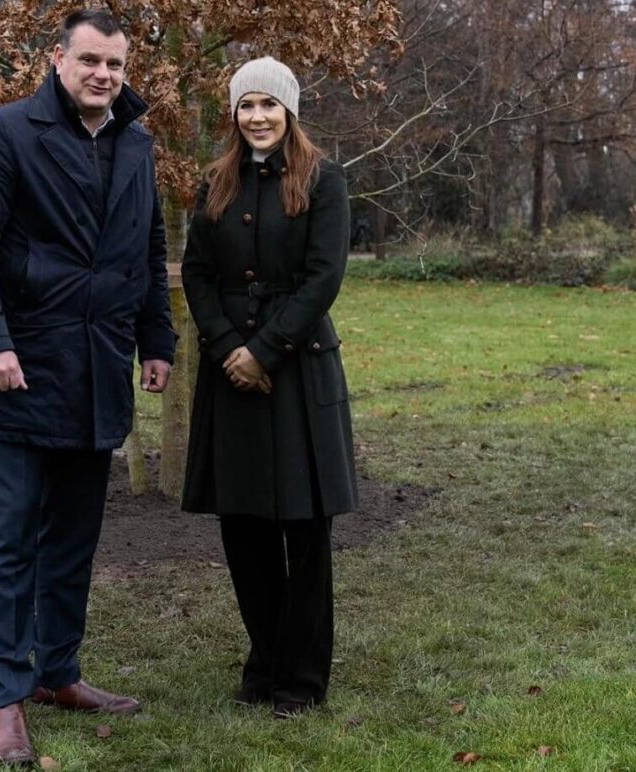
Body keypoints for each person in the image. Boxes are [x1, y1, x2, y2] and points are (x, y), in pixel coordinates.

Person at [0, 9, 175, 765]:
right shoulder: (3, 133)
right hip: (19, 371)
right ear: (58, 59)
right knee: (11, 542)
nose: (103, 75)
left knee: (74, 539)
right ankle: (5, 699)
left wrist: (157, 339)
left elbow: (146, 245)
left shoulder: (135, 144)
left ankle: (58, 674)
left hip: (98, 372)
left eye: (115, 64)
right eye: (90, 61)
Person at [181, 57, 358, 719]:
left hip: (299, 372)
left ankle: (301, 678)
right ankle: (266, 659)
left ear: (290, 111)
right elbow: (197, 274)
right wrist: (229, 348)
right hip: (233, 379)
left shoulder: (323, 180)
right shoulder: (214, 183)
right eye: (246, 105)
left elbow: (323, 277)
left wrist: (265, 349)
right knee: (246, 526)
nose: (257, 117)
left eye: (269, 105)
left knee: (305, 532)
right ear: (234, 113)